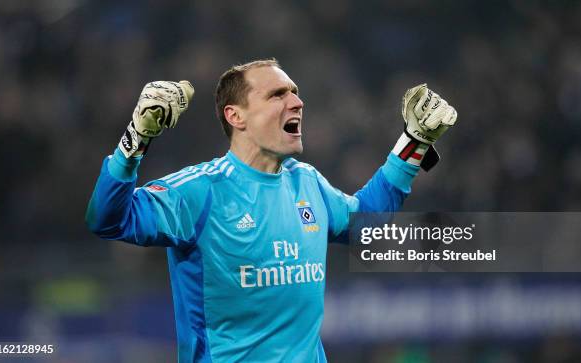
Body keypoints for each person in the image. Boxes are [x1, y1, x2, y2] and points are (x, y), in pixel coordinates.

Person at [85, 58, 457, 362]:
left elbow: (366, 225)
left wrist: (415, 143)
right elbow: (107, 219)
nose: (297, 103)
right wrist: (137, 137)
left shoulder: (306, 182)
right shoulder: (199, 191)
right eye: (278, 94)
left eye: (295, 93)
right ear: (236, 116)